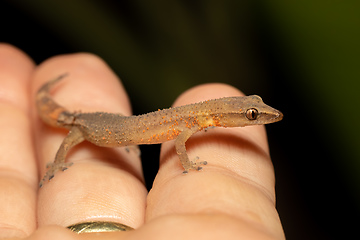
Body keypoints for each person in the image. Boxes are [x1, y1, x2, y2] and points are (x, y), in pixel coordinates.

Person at [0, 44, 285, 239]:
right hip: (96, 128)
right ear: (223, 115)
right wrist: (187, 165)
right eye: (252, 115)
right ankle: (54, 145)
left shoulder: (197, 120)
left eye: (253, 112)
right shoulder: (190, 124)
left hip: (120, 126)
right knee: (74, 130)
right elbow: (179, 146)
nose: (260, 117)